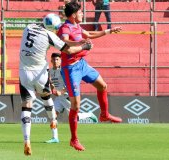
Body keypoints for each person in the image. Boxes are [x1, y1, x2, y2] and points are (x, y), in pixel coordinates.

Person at [19, 13, 92, 156]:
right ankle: (53, 121)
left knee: (26, 105)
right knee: (46, 98)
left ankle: (27, 139)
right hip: (40, 72)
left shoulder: (27, 27)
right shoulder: (50, 35)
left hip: (24, 72)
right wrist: (84, 46)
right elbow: (69, 50)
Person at [57, 1, 122, 151]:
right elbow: (64, 41)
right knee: (76, 105)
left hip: (82, 64)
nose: (82, 14)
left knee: (102, 85)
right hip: (70, 69)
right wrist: (82, 43)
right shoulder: (65, 28)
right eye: (80, 12)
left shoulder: (77, 26)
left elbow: (90, 34)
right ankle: (74, 139)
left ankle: (104, 115)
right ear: (73, 15)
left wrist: (109, 31)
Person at [45, 53, 98, 144]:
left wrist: (61, 91)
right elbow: (51, 82)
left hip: (67, 96)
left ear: (60, 60)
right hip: (59, 98)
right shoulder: (50, 71)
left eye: (57, 59)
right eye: (53, 60)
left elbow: (71, 85)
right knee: (53, 116)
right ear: (51, 61)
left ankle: (89, 114)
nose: (55, 61)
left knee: (75, 117)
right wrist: (52, 88)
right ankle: (55, 138)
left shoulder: (64, 71)